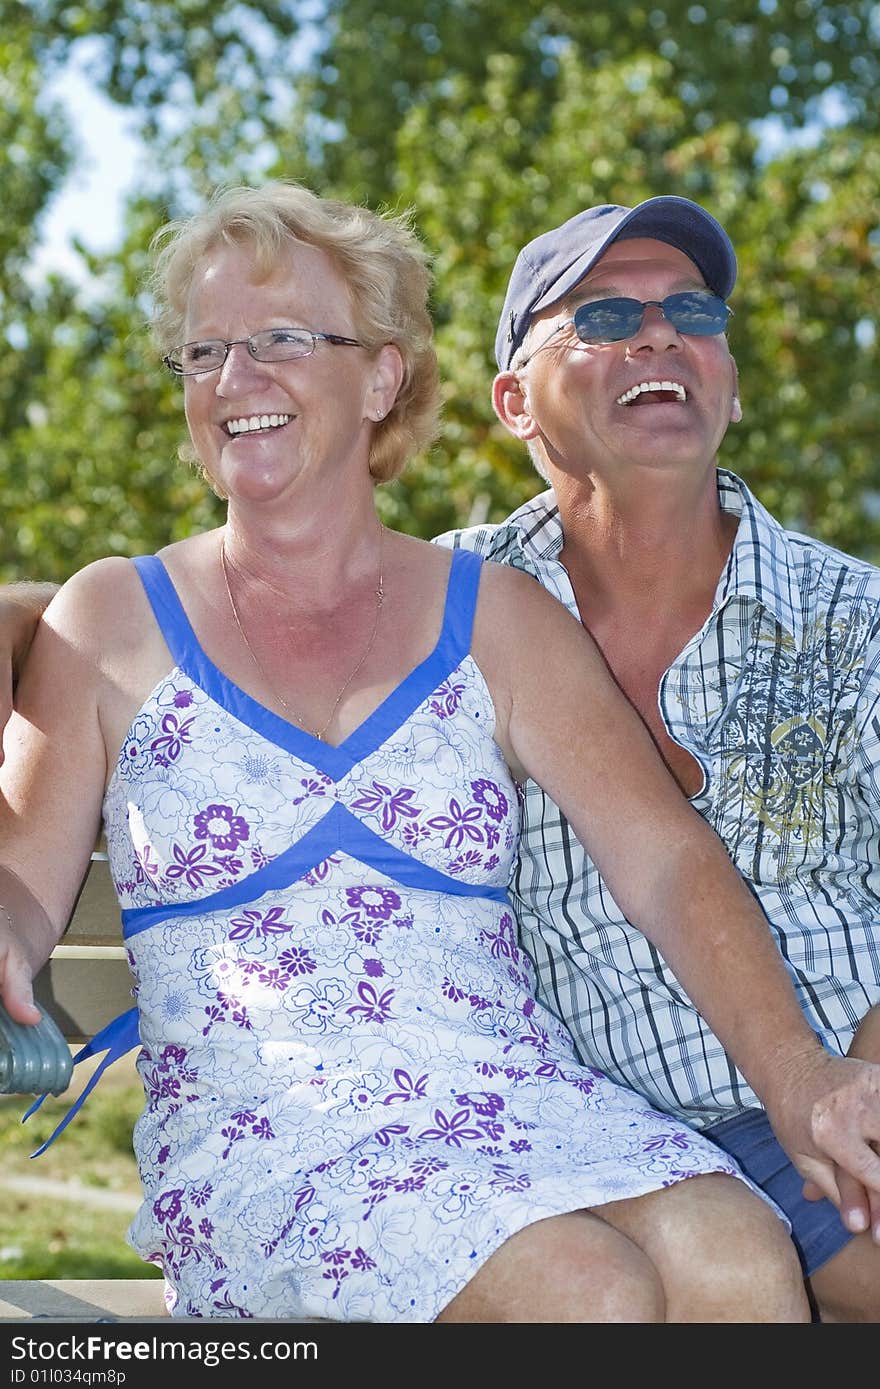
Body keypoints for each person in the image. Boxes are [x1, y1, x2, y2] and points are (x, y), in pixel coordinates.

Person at [0, 178, 830, 1325]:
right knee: (584, 1292)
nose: (236, 380)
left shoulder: (492, 615)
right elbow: (21, 891)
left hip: (516, 1103)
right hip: (276, 1139)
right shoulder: (112, 621)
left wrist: (799, 1078)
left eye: (281, 339)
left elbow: (667, 865)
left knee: (738, 1256)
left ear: (381, 374)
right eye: (204, 354)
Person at [429, 195, 880, 1322]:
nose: (658, 332)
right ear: (512, 402)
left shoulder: (856, 617)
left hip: (838, 1093)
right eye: (603, 314)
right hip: (598, 1149)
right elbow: (206, 613)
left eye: (690, 309)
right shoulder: (437, 603)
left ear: (726, 380)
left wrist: (861, 1098)